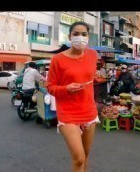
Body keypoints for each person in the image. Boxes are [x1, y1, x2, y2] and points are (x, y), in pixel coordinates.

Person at [46, 21, 99, 172]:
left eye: (84, 34)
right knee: (79, 158)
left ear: (89, 37)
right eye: (76, 34)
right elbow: (50, 87)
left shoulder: (93, 55)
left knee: (86, 155)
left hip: (89, 110)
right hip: (68, 112)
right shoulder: (58, 59)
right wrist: (66, 89)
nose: (80, 37)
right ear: (69, 36)